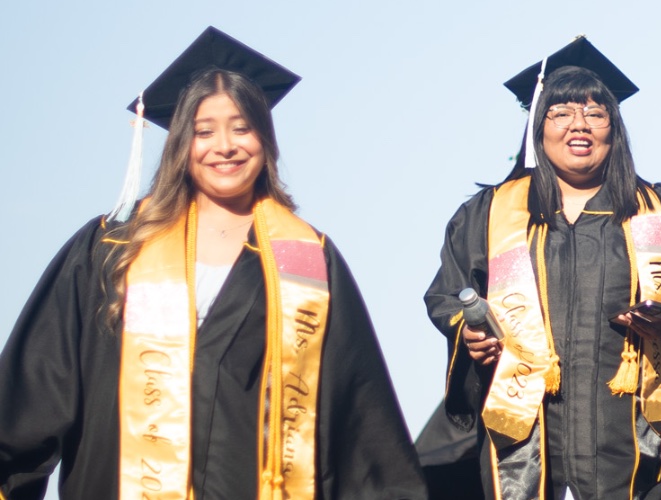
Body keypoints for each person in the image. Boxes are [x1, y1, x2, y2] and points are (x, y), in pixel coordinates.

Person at [0, 27, 426, 499]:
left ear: (265, 139)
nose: (225, 146)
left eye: (241, 127)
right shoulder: (113, 247)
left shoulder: (306, 262)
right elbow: (37, 386)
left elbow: (358, 414)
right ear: (181, 144)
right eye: (204, 131)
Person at [423, 36, 661, 500]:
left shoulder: (654, 209)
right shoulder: (490, 214)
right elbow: (448, 296)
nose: (580, 125)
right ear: (538, 126)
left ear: (615, 127)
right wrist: (468, 333)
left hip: (628, 440)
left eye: (595, 113)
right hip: (522, 432)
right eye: (560, 112)